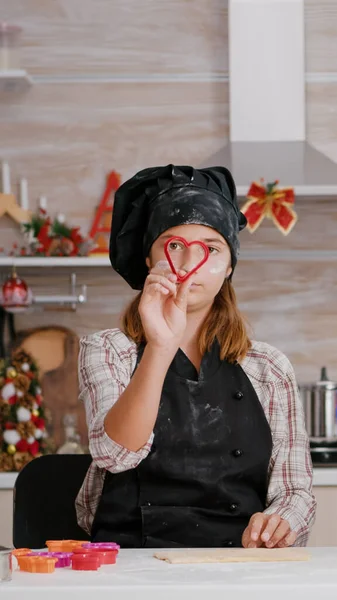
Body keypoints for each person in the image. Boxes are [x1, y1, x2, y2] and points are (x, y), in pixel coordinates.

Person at [76, 164, 316, 549]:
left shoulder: (268, 368)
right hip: (130, 563)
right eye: (173, 246)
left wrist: (280, 522)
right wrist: (160, 345)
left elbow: (295, 492)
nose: (189, 265)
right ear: (149, 259)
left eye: (211, 248)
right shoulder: (108, 350)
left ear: (229, 267)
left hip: (238, 562)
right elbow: (115, 454)